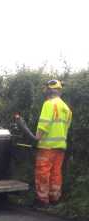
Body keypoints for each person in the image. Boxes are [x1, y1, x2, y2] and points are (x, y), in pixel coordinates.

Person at [34, 79, 72, 207]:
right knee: (56, 172)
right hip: (60, 147)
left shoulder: (49, 104)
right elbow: (66, 127)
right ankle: (55, 198)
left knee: (43, 172)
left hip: (47, 146)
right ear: (60, 91)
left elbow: (44, 123)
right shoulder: (66, 108)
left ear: (48, 91)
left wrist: (37, 137)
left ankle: (42, 200)